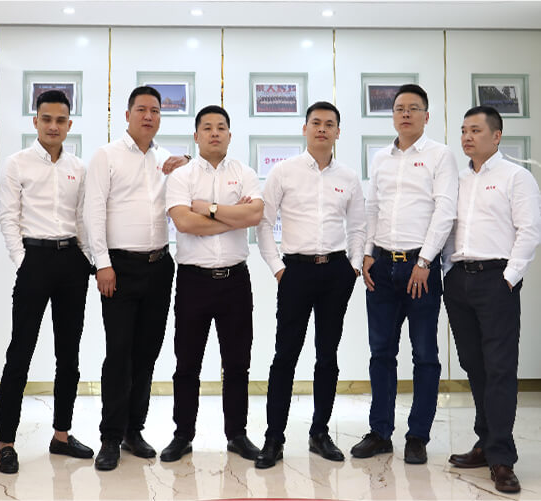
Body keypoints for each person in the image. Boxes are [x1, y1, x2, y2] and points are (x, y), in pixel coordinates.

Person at [255, 102, 366, 468]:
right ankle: (274, 438)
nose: (322, 129)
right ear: (305, 129)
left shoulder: (348, 177)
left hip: (335, 273)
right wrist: (277, 268)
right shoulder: (283, 171)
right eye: (315, 123)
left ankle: (320, 433)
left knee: (327, 356)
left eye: (329, 124)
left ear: (337, 132)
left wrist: (353, 266)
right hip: (295, 273)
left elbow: (358, 226)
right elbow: (264, 223)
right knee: (284, 356)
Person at [351, 84, 458, 464]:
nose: (406, 113)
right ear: (393, 115)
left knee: (425, 354)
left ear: (426, 116)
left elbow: (445, 211)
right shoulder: (381, 157)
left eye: (414, 108)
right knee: (381, 353)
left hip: (420, 268)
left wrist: (425, 262)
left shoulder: (440, 155)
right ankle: (380, 432)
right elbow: (372, 208)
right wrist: (367, 253)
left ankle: (418, 436)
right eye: (399, 108)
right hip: (381, 266)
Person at [84, 86, 187, 471]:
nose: (148, 116)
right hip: (119, 269)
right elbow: (93, 211)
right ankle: (110, 437)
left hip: (159, 266)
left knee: (147, 353)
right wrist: (102, 263)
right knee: (119, 353)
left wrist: (188, 161)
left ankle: (133, 430)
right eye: (141, 109)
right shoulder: (107, 155)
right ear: (127, 115)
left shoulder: (165, 159)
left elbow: (192, 184)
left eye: (155, 110)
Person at [0, 90, 95, 474]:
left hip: (71, 261)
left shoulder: (78, 167)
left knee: (68, 355)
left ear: (69, 124)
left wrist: (87, 259)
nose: (53, 126)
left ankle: (61, 435)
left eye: (60, 120)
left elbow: (83, 218)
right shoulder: (17, 163)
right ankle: (6, 442)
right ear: (35, 121)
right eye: (47, 119)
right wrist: (23, 262)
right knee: (20, 352)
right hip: (33, 260)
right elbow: (8, 218)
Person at [443, 106, 540, 493]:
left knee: (499, 368)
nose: (467, 137)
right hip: (458, 281)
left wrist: (509, 278)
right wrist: (447, 272)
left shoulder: (516, 177)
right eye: (464, 131)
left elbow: (529, 231)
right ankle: (485, 443)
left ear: (496, 136)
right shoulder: (458, 180)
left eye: (476, 130)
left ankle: (502, 458)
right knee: (474, 366)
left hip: (496, 281)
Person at [160, 105, 264, 463]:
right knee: (187, 364)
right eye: (207, 127)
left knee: (237, 363)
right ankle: (182, 435)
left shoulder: (245, 173)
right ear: (196, 135)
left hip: (236, 281)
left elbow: (255, 214)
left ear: (230, 135)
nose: (214, 133)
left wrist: (209, 208)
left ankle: (237, 435)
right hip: (194, 281)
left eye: (221, 127)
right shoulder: (182, 176)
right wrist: (234, 217)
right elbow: (184, 223)